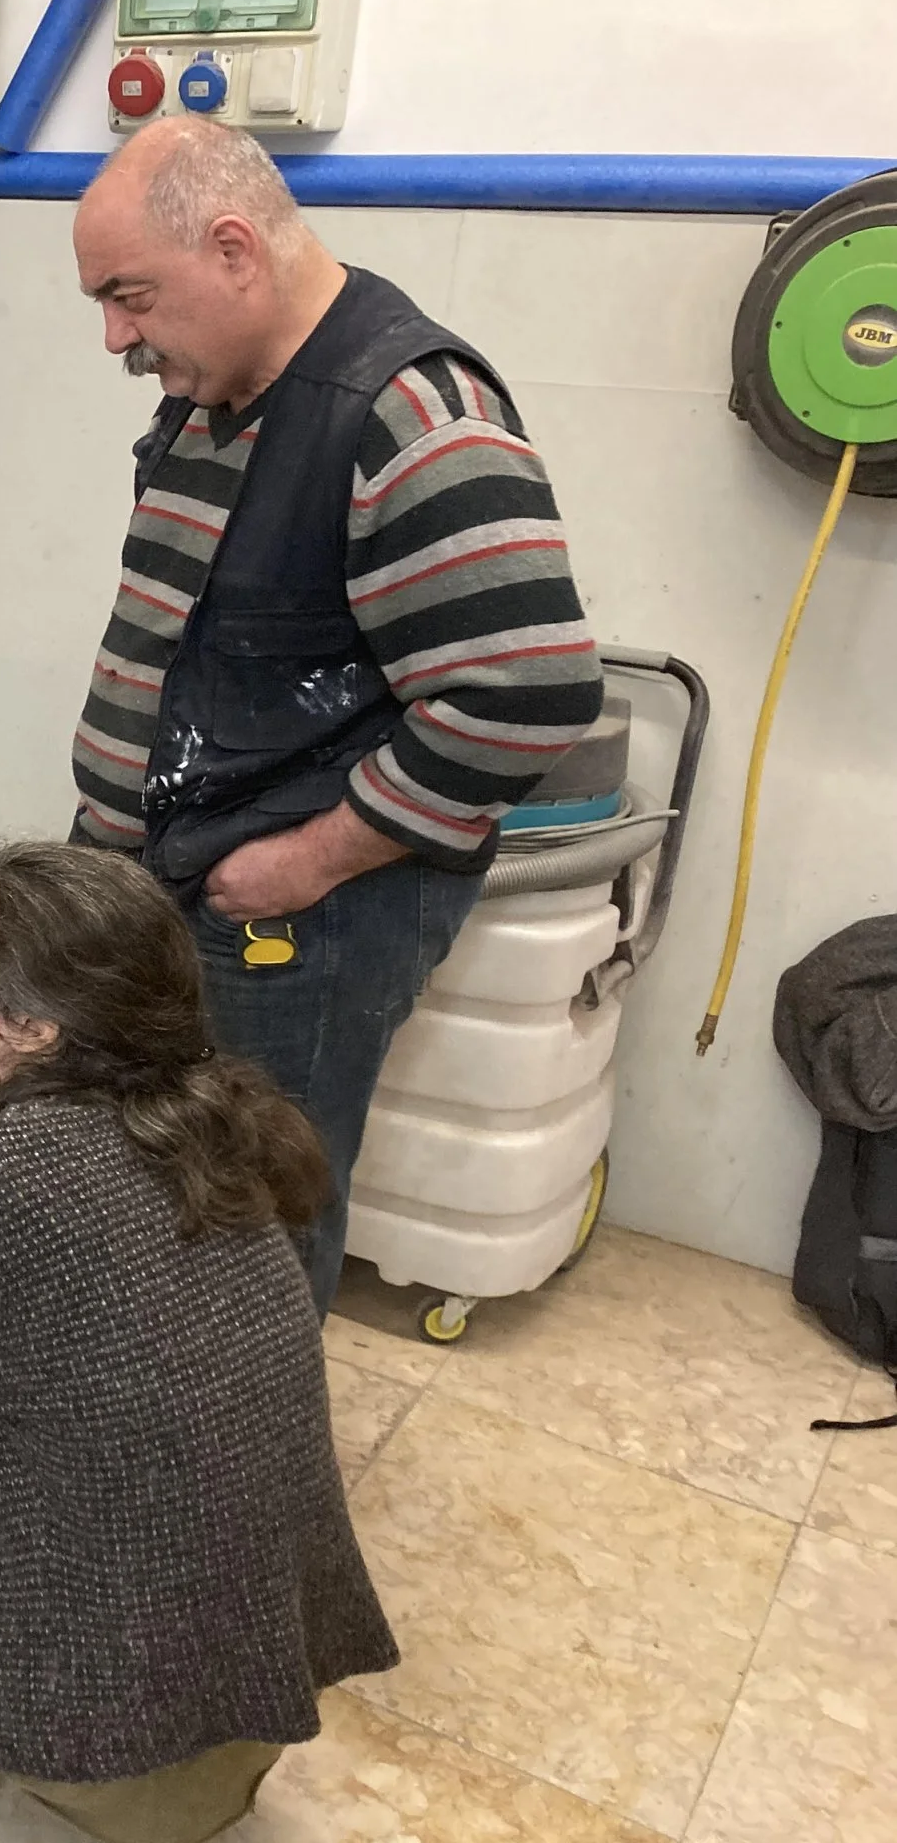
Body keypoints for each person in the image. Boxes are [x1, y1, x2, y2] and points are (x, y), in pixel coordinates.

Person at [0, 840, 397, 1843]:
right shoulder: (220, 1115)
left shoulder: (19, 1168)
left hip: (109, 1750)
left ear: (36, 1024)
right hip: (247, 1709)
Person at [68, 117, 603, 1313]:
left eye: (130, 296)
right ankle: (165, 1423)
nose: (115, 335)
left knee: (251, 1208)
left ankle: (241, 1468)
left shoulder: (401, 412)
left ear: (232, 250)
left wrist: (308, 863)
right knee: (168, 1198)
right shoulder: (219, 391)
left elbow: (530, 694)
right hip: (181, 883)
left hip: (292, 920)